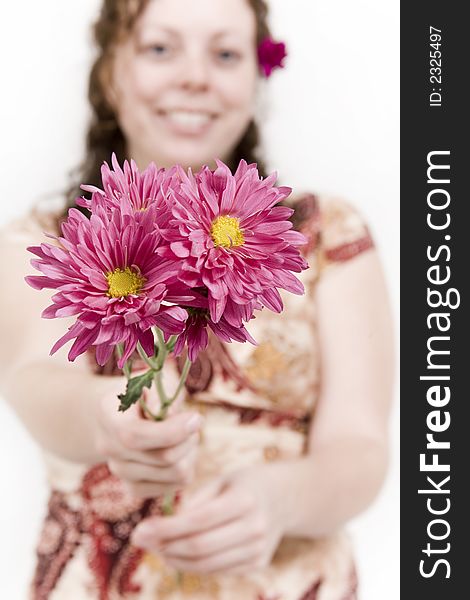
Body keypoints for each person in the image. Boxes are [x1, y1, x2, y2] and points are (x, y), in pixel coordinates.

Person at [0, 0, 394, 598]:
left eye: (226, 53)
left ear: (254, 80)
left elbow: (361, 448)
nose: (195, 76)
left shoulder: (326, 235)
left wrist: (283, 499)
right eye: (161, 47)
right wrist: (103, 418)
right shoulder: (43, 238)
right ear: (111, 71)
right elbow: (35, 377)